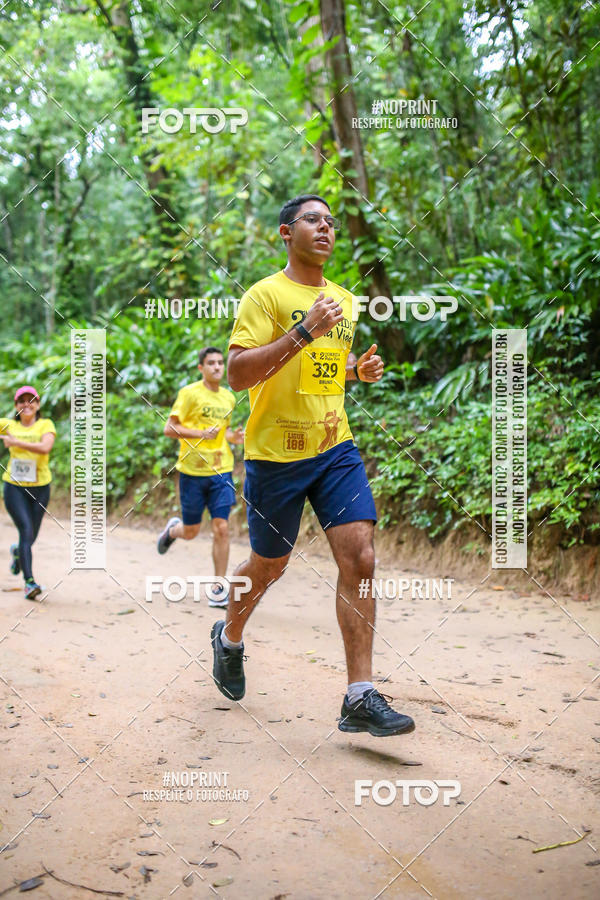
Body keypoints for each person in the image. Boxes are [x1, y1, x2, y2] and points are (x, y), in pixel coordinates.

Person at [211, 193, 415, 737]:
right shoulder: (264, 295)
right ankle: (228, 638)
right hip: (276, 456)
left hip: (334, 449)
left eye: (331, 221)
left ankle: (360, 695)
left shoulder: (343, 299)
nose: (326, 227)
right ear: (286, 232)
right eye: (313, 220)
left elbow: (318, 367)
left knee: (361, 557)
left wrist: (354, 372)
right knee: (269, 566)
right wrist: (303, 330)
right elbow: (238, 374)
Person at [157, 347, 244, 607]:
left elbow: (223, 432)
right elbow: (169, 428)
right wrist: (199, 434)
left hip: (221, 470)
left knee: (222, 528)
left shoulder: (228, 398)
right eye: (211, 363)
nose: (217, 367)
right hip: (192, 472)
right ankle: (173, 531)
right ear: (201, 368)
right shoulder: (189, 393)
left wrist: (235, 437)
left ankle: (218, 588)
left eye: (220, 363)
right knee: (191, 531)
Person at [0, 386, 56, 600]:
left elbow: (45, 447)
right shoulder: (8, 425)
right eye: (21, 401)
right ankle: (30, 583)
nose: (26, 404)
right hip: (14, 487)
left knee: (30, 536)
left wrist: (15, 442)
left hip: (41, 487)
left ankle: (18, 553)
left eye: (31, 400)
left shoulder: (46, 425)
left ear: (38, 405)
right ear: (16, 406)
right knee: (25, 530)